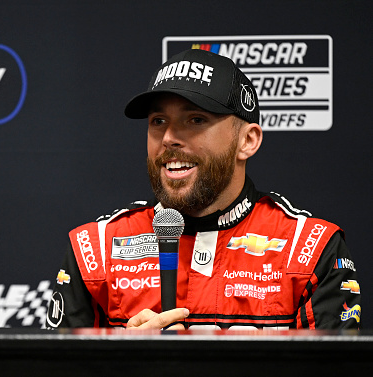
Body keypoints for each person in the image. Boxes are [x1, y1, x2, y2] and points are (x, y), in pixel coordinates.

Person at [46, 49, 361, 330]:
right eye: (158, 121)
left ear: (247, 141)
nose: (169, 137)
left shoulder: (310, 250)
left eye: (195, 119)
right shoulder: (94, 250)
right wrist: (130, 362)